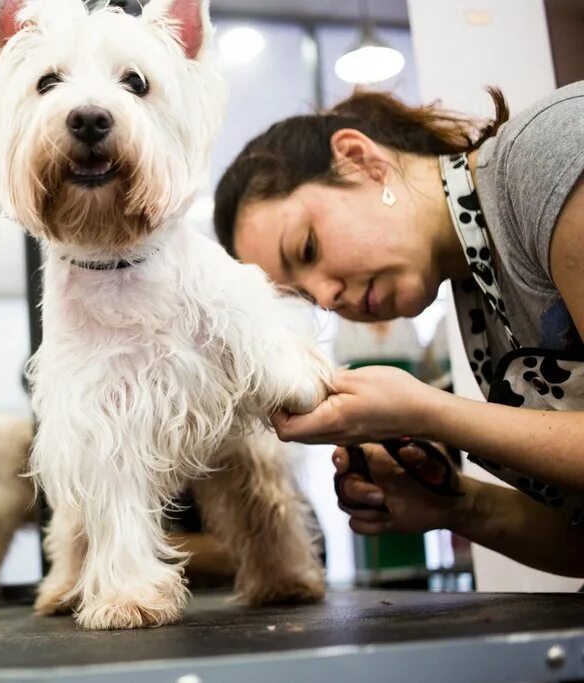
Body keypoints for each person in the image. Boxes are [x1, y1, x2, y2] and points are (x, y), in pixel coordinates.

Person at [212, 82, 584, 577]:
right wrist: (455, 505)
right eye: (301, 295)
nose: (325, 299)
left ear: (359, 159)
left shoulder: (551, 151)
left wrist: (428, 412)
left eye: (307, 249)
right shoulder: (477, 294)